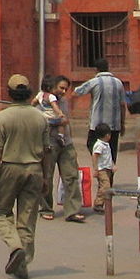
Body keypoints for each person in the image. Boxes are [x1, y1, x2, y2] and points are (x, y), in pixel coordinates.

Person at [0, 74, 48, 279]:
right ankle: (23, 264)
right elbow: (47, 151)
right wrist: (46, 177)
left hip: (10, 167)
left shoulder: (2, 117)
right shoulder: (40, 118)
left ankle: (15, 247)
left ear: (10, 93)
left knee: (0, 211)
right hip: (35, 168)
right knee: (27, 217)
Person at [73, 57, 126, 164]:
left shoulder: (94, 82)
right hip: (114, 124)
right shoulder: (118, 83)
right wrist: (122, 123)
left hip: (97, 124)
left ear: (96, 69)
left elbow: (76, 92)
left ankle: (101, 163)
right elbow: (122, 105)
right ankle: (109, 174)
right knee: (112, 150)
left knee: (91, 144)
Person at [50, 75, 85, 222]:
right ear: (53, 87)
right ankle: (45, 207)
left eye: (65, 88)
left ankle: (72, 210)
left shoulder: (64, 101)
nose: (63, 91)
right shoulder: (44, 101)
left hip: (66, 142)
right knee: (46, 176)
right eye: (61, 88)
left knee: (71, 176)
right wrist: (57, 121)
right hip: (49, 142)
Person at [33, 76, 63, 219]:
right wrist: (60, 114)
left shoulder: (39, 95)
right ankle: (45, 206)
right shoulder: (51, 97)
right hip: (51, 124)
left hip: (41, 123)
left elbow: (31, 104)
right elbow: (56, 108)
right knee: (47, 173)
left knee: (45, 172)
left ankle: (44, 206)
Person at [91, 123, 115, 211]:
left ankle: (100, 204)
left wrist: (112, 165)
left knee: (102, 186)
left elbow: (109, 156)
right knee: (106, 186)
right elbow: (95, 156)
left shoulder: (106, 144)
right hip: (101, 169)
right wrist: (95, 169)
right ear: (107, 135)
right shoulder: (99, 145)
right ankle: (98, 203)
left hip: (107, 168)